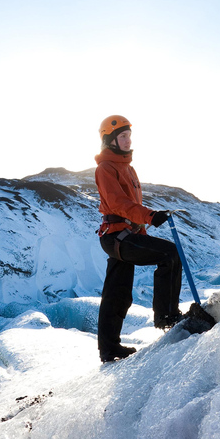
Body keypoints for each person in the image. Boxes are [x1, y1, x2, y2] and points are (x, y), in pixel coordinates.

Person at [94, 115, 184, 363]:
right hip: (115, 237)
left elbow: (130, 208)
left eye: (128, 135)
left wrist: (143, 225)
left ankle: (109, 349)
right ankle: (167, 317)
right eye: (122, 136)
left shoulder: (128, 168)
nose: (127, 140)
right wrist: (149, 216)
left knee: (117, 293)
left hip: (124, 235)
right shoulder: (105, 168)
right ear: (109, 140)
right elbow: (118, 204)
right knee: (169, 253)